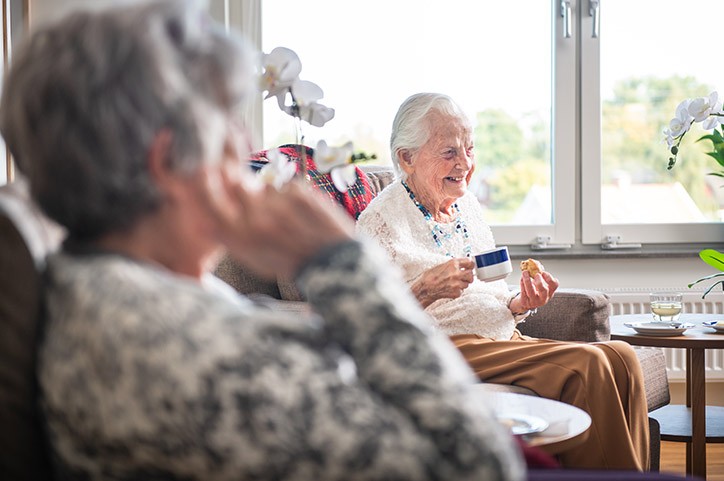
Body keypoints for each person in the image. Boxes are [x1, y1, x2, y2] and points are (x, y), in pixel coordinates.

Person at [0, 3, 526, 480]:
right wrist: (342, 264)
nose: (249, 150)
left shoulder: (111, 284)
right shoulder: (180, 347)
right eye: (227, 125)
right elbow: (480, 466)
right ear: (167, 162)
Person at [356, 92, 650, 471]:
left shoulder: (467, 207)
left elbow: (488, 292)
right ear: (406, 158)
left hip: (500, 338)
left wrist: (520, 303)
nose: (465, 164)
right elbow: (366, 324)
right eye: (449, 152)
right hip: (443, 345)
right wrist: (424, 290)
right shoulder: (379, 221)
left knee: (623, 357)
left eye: (470, 149)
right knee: (587, 364)